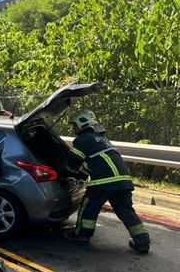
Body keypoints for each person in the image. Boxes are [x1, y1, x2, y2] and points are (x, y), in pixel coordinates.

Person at [63, 109, 150, 254]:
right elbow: (93, 162)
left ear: (82, 124)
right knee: (126, 211)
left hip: (105, 181)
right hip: (123, 180)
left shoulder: (82, 139)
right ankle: (143, 242)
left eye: (74, 125)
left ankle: (82, 235)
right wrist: (81, 177)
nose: (73, 129)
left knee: (88, 207)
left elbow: (72, 162)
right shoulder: (101, 139)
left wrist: (64, 164)